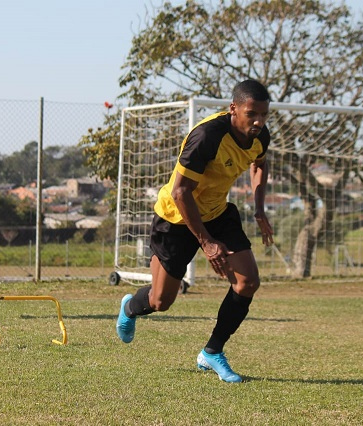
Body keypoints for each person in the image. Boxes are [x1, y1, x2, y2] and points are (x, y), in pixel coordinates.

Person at [115, 80, 274, 383]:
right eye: (251, 113)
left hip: (216, 212)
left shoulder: (259, 135)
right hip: (176, 217)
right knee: (161, 302)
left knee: (248, 282)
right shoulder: (207, 136)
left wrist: (259, 208)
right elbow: (180, 192)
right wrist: (206, 242)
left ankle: (212, 352)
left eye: (264, 115)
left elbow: (260, 165)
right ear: (233, 109)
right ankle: (130, 307)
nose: (258, 121)